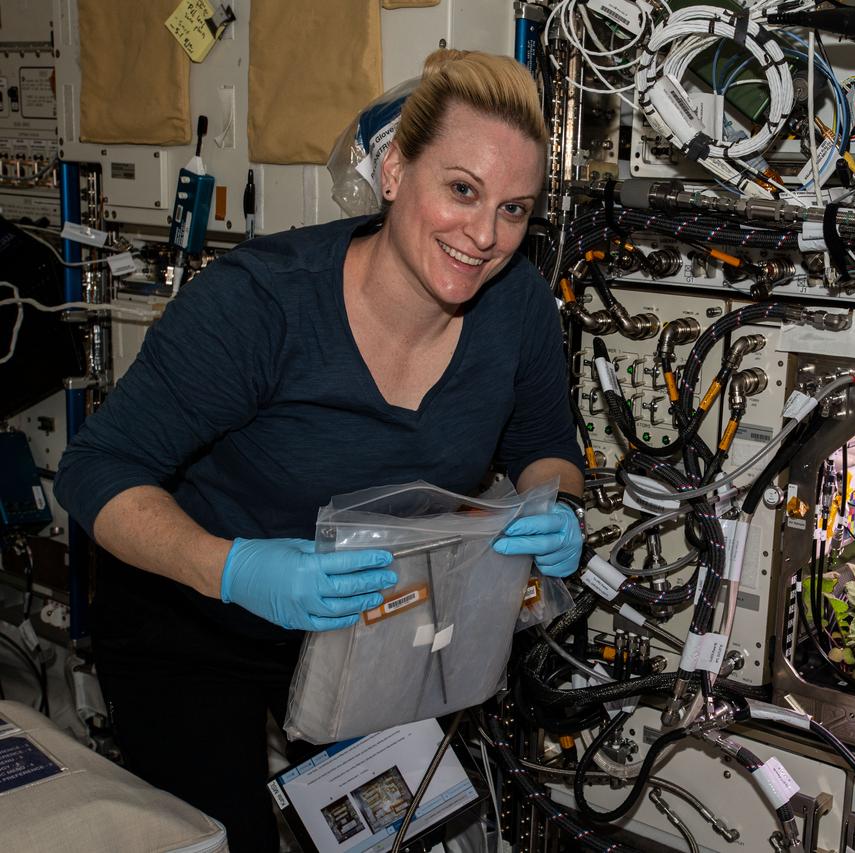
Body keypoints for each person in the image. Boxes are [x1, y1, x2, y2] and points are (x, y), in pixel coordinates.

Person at [54, 49, 583, 851]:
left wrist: (554, 501)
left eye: (515, 209)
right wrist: (235, 569)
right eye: (463, 190)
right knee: (224, 839)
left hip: (366, 627)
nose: (485, 236)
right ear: (397, 171)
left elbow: (545, 443)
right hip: (190, 623)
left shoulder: (519, 313)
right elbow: (94, 471)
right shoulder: (260, 304)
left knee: (400, 834)